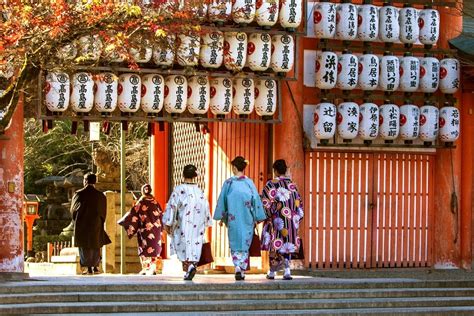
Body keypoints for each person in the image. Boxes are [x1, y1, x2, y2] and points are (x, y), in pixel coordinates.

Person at [213, 156, 267, 281]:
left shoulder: (229, 183)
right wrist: (257, 216)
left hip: (233, 217)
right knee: (245, 241)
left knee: (235, 241)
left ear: (234, 167)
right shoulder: (249, 183)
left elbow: (222, 200)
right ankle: (241, 269)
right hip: (247, 217)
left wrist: (222, 216)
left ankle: (238, 266)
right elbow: (256, 201)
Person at [162, 164, 212, 281]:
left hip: (183, 222)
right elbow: (206, 207)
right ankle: (192, 265)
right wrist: (206, 221)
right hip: (197, 223)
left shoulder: (179, 190)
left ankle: (188, 267)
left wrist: (168, 222)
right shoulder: (199, 191)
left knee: (183, 244)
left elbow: (172, 206)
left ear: (183, 174)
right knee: (195, 243)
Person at [260, 159, 304, 280]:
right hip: (291, 220)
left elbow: (265, 203)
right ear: (285, 170)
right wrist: (295, 219)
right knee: (287, 244)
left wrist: (267, 214)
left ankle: (272, 272)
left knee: (276, 243)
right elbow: (299, 205)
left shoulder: (271, 185)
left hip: (276, 220)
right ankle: (287, 270)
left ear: (275, 171)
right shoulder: (292, 186)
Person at [71, 172, 111, 275]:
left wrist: (76, 219)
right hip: (96, 223)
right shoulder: (100, 195)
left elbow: (73, 210)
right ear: (95, 182)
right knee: (95, 245)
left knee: (84, 247)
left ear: (85, 181)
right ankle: (95, 267)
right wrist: (100, 220)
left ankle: (88, 268)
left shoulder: (79, 194)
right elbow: (103, 212)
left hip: (82, 223)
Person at [118, 184, 163, 275]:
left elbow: (133, 214)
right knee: (155, 247)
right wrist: (161, 228)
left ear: (143, 191)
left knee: (145, 247)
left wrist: (123, 221)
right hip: (156, 230)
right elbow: (161, 216)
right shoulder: (156, 202)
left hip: (145, 229)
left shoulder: (141, 202)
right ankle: (155, 267)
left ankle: (146, 268)